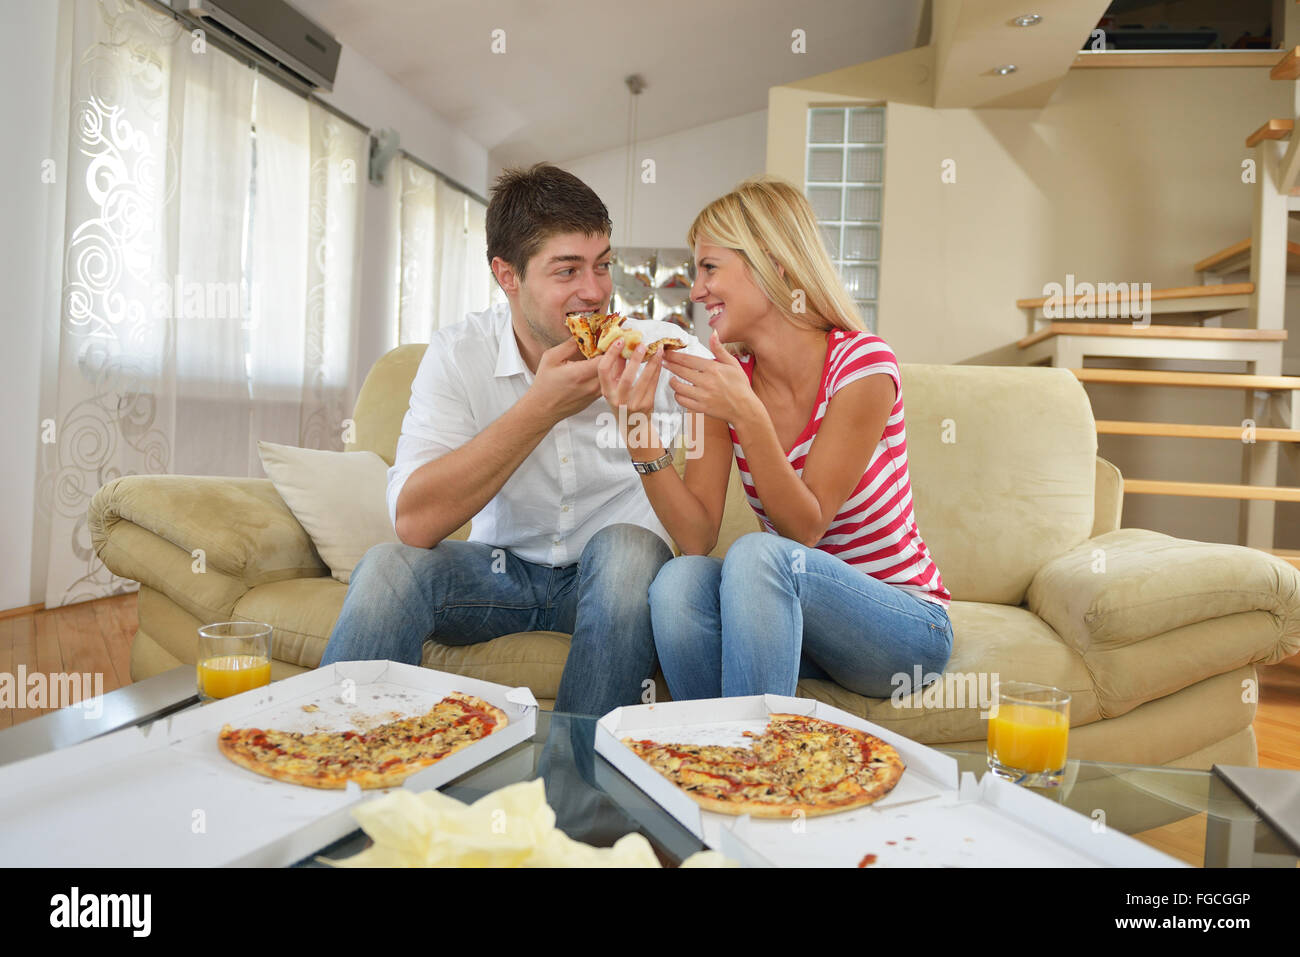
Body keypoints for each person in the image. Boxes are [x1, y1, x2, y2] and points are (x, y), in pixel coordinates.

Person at [319, 163, 693, 716]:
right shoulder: (457, 354)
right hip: (499, 577)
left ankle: (574, 792)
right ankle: (335, 763)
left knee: (631, 550)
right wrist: (539, 409)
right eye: (567, 271)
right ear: (507, 275)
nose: (594, 292)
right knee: (387, 567)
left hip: (610, 581)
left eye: (603, 265)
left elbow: (750, 395)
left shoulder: (658, 350)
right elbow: (415, 524)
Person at [596, 175, 952, 702]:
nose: (695, 291)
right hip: (797, 622)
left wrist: (748, 414)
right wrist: (637, 428)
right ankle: (713, 759)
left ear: (775, 265)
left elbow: (804, 529)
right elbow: (695, 537)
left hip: (901, 627)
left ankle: (751, 759)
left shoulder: (862, 365)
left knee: (761, 554)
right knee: (679, 581)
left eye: (709, 268)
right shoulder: (725, 376)